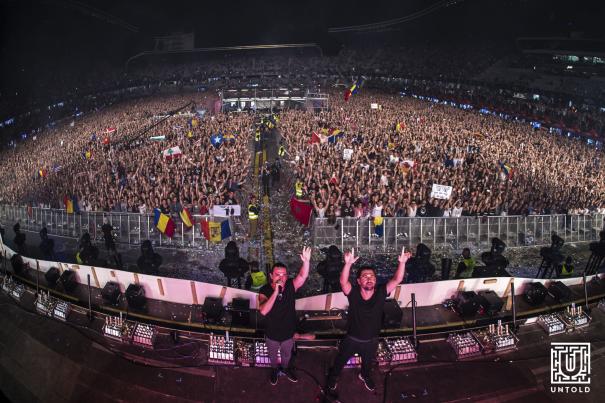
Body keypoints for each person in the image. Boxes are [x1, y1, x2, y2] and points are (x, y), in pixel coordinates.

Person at [327, 246, 411, 392]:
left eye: (371, 276)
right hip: (352, 338)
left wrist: (402, 263)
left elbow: (397, 279)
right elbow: (343, 282)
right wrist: (347, 264)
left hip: (372, 340)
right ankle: (333, 377)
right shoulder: (353, 293)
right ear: (359, 281)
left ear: (375, 280)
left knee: (367, 363)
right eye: (365, 276)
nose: (369, 278)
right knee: (340, 361)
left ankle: (364, 376)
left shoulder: (381, 292)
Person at [259, 247, 311, 386]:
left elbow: (302, 276)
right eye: (277, 274)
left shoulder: (290, 285)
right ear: (271, 276)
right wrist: (276, 292)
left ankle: (286, 369)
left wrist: (306, 261)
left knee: (286, 355)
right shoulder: (265, 290)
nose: (281, 278)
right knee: (273, 356)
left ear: (287, 276)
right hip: (272, 334)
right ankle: (274, 370)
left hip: (288, 333)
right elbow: (263, 311)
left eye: (284, 275)